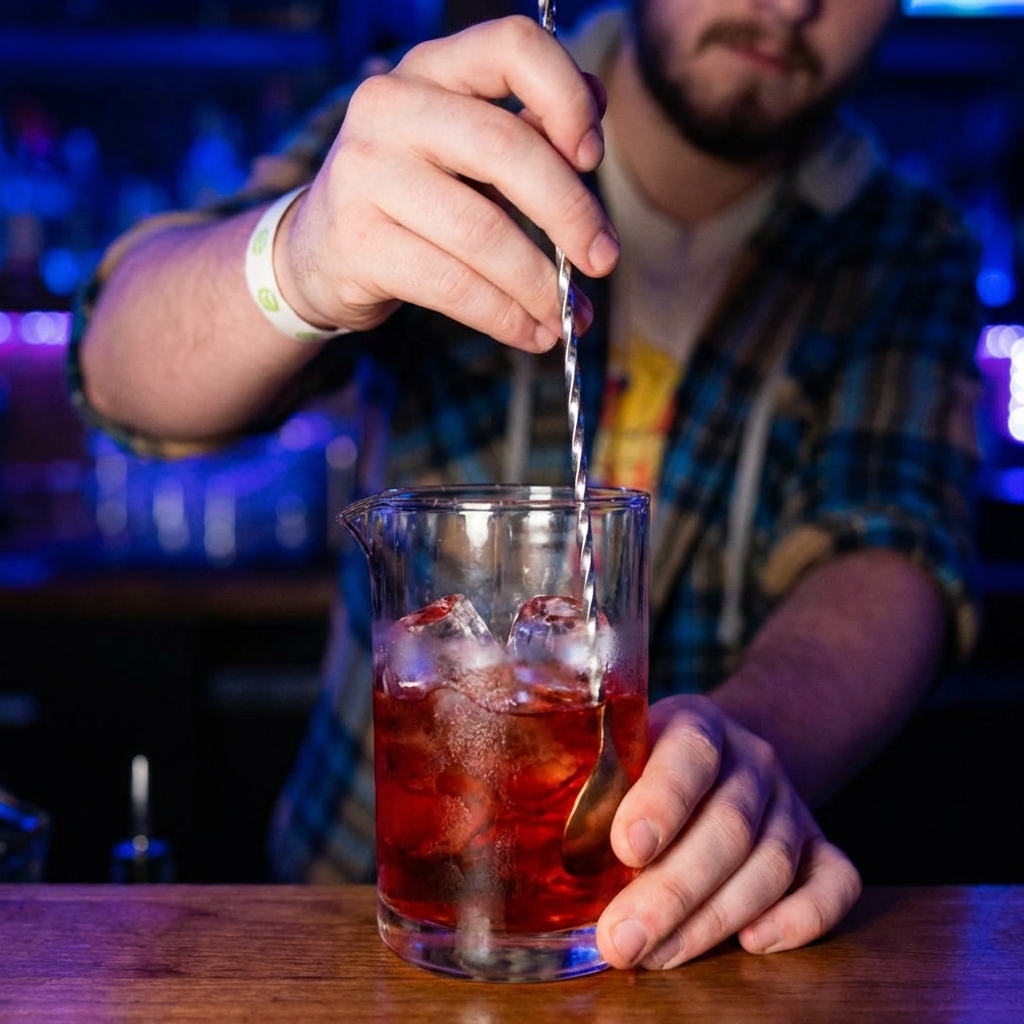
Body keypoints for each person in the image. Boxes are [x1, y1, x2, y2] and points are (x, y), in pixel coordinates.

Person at [72, 0, 980, 971]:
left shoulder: (902, 241)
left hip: (688, 948)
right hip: (346, 929)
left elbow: (891, 545)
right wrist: (299, 259)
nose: (794, 2)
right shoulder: (438, 117)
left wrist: (742, 748)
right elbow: (118, 368)